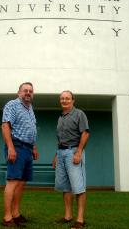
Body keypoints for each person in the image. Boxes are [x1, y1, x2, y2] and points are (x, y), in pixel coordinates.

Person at [1, 82, 39, 227]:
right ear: (19, 92)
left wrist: (34, 147)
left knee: (22, 183)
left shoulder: (30, 109)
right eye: (25, 90)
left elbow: (31, 129)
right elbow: (5, 125)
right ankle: (7, 217)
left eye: (30, 91)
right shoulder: (12, 105)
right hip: (16, 146)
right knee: (13, 181)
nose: (28, 93)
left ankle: (16, 214)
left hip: (28, 149)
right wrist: (11, 147)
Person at [53, 90, 89, 229]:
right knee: (65, 187)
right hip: (61, 153)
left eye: (67, 98)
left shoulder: (79, 114)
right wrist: (56, 155)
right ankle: (68, 216)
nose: (64, 101)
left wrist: (79, 152)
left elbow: (85, 133)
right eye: (62, 98)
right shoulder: (61, 117)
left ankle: (80, 220)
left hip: (74, 152)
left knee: (78, 187)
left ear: (73, 100)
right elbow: (60, 139)